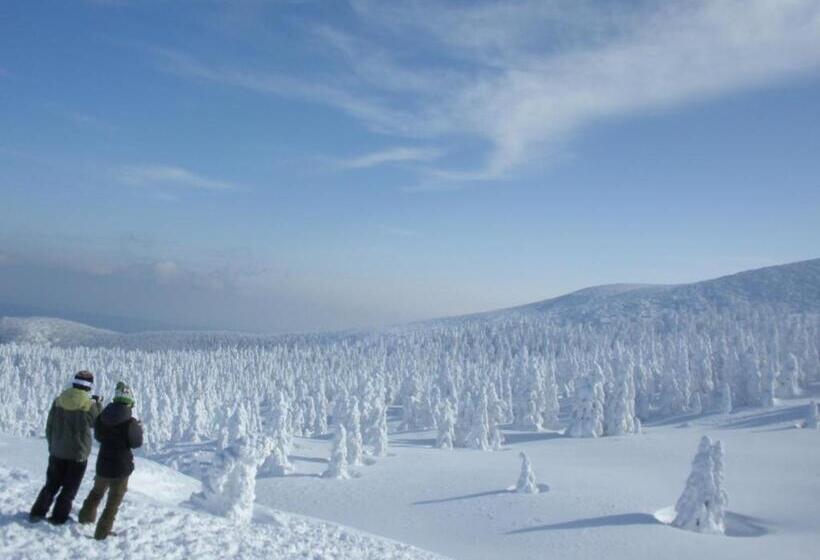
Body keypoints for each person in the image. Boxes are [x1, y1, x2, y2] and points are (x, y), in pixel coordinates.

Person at [30, 370, 103, 524]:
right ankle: (58, 517)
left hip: (57, 452)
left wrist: (52, 446)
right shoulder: (89, 405)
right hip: (78, 454)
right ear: (89, 386)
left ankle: (37, 513)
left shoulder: (58, 400)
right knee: (69, 489)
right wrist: (98, 405)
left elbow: (49, 426)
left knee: (51, 485)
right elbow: (98, 424)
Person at [79, 381, 143, 540]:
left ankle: (85, 517)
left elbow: (98, 436)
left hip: (103, 464)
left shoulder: (103, 417)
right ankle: (102, 532)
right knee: (113, 502)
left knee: (96, 492)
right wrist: (138, 428)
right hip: (121, 468)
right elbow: (136, 443)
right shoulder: (130, 422)